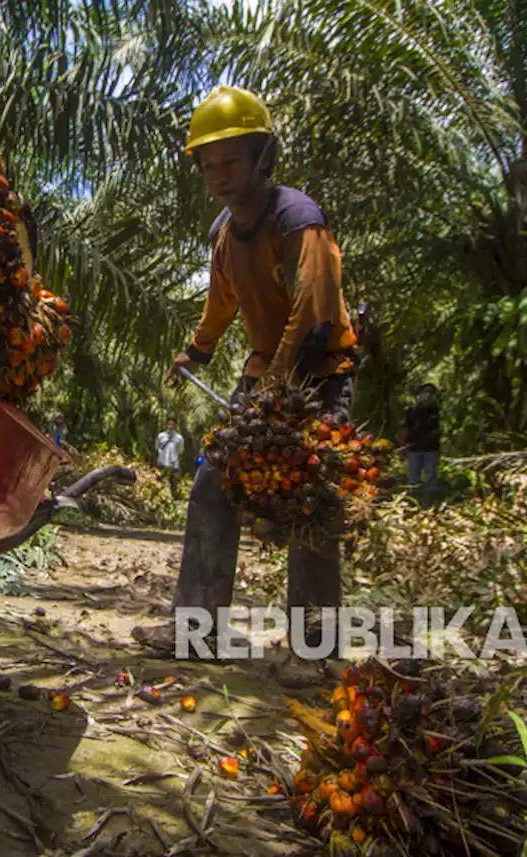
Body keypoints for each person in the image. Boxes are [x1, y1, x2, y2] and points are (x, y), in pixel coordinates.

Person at [132, 86, 359, 670]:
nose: (217, 174)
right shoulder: (224, 234)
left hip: (320, 374)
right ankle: (198, 631)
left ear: (263, 157)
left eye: (230, 159)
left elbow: (314, 316)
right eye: (208, 164)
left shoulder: (299, 221)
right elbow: (221, 301)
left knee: (311, 503)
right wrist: (197, 352)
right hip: (266, 375)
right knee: (213, 486)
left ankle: (315, 649)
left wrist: (276, 386)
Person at [401, 384, 441, 499]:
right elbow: (404, 429)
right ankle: (413, 501)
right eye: (426, 392)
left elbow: (436, 430)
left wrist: (438, 449)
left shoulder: (435, 411)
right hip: (414, 448)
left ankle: (429, 502)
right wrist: (403, 447)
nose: (428, 395)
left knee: (431, 477)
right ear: (420, 394)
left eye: (432, 393)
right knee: (413, 478)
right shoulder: (411, 411)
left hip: (431, 449)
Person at [156, 417, 185, 497]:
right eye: (169, 424)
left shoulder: (179, 438)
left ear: (175, 425)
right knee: (160, 482)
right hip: (162, 462)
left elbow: (180, 450)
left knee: (173, 483)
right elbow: (157, 447)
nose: (170, 425)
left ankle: (173, 497)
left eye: (172, 424)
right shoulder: (161, 436)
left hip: (173, 463)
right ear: (166, 425)